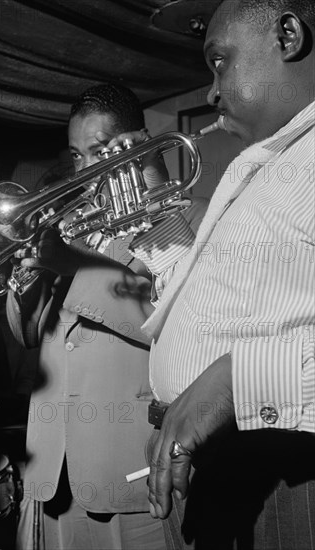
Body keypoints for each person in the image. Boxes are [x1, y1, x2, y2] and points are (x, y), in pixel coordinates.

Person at [136, 1, 315, 548]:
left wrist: (238, 381)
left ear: (287, 36)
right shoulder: (276, 159)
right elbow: (229, 304)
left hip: (287, 481)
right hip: (222, 469)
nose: (211, 92)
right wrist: (151, 220)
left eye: (219, 62)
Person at [7, 83, 208, 550]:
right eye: (76, 155)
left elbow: (175, 321)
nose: (83, 169)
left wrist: (71, 267)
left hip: (127, 472)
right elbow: (29, 337)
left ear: (134, 144)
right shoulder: (70, 227)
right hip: (50, 469)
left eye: (97, 151)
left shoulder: (190, 218)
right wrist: (28, 282)